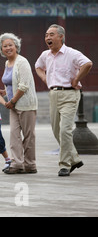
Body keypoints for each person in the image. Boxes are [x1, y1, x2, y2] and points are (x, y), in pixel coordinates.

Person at [35, 24, 93, 176]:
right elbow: (38, 67)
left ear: (61, 37)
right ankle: (74, 158)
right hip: (53, 94)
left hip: (70, 94)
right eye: (46, 35)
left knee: (65, 130)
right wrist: (45, 79)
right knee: (56, 130)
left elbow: (87, 64)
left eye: (51, 34)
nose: (48, 37)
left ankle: (65, 164)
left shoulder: (72, 53)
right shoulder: (45, 55)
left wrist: (77, 79)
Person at [0, 33, 38, 174]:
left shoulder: (22, 62)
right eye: (5, 46)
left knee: (28, 136)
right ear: (1, 49)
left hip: (25, 104)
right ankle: (17, 164)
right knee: (14, 135)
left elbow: (24, 85)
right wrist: (4, 92)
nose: (8, 48)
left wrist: (12, 100)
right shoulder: (7, 63)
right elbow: (12, 84)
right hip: (13, 105)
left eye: (10, 45)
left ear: (16, 47)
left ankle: (30, 165)